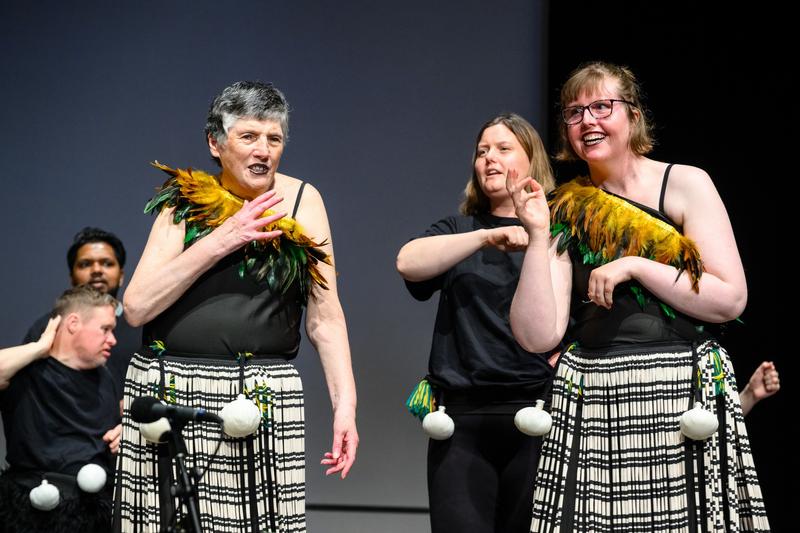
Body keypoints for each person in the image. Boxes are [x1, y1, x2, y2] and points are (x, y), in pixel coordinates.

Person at [506, 62, 769, 531]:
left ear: (634, 116)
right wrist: (538, 233)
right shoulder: (566, 206)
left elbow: (729, 298)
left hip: (680, 388)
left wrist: (636, 265)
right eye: (574, 112)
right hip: (594, 394)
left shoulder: (685, 183)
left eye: (601, 107)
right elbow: (536, 335)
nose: (587, 120)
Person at [114, 81, 358, 532]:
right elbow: (136, 308)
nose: (262, 149)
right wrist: (222, 240)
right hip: (171, 388)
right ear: (215, 143)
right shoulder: (185, 202)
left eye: (274, 138)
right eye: (248, 136)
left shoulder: (303, 202)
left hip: (261, 395)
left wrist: (346, 406)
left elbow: (325, 318)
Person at [397, 113, 555, 533]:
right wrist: (484, 237)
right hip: (461, 421)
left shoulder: (556, 234)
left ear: (532, 160)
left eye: (503, 149)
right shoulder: (458, 229)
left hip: (537, 415)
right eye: (482, 151)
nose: (489, 159)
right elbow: (407, 262)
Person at [0, 286, 121, 533]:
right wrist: (40, 347)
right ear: (73, 323)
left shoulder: (106, 378)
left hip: (93, 514)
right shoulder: (28, 371)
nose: (113, 340)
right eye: (105, 329)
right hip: (32, 513)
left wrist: (123, 436)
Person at [23, 227, 140, 398]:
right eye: (85, 264)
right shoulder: (47, 329)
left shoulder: (142, 328)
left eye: (107, 263)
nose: (96, 270)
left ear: (121, 275)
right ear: (72, 276)